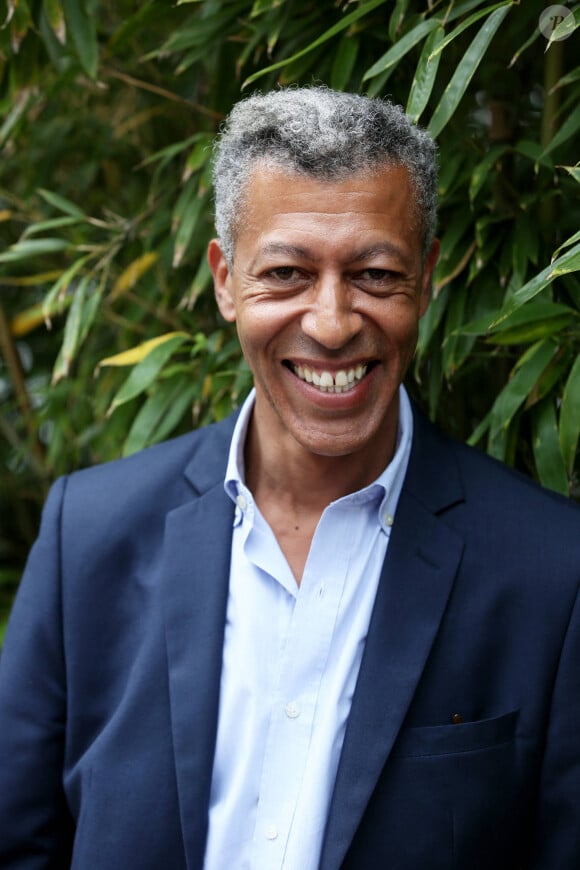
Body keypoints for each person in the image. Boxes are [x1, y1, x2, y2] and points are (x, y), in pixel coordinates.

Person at [0, 86, 579, 870]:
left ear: (429, 277)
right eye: (286, 273)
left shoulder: (551, 572)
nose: (333, 322)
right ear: (226, 279)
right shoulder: (90, 536)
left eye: (375, 274)